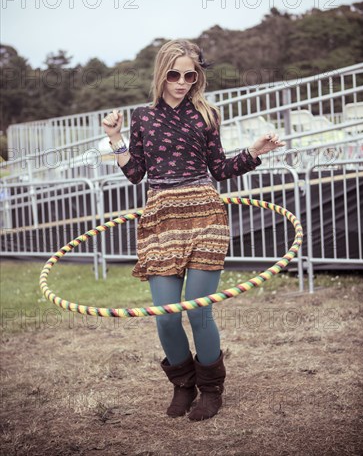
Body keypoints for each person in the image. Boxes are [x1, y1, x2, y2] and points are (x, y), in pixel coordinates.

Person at [102, 39, 285, 421]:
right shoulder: (143, 116)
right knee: (166, 314)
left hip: (205, 213)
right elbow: (135, 174)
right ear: (161, 74)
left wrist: (253, 152)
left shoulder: (206, 114)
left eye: (190, 75)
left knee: (200, 313)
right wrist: (116, 139)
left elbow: (219, 169)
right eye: (174, 74)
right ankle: (182, 385)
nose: (182, 82)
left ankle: (211, 390)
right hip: (161, 217)